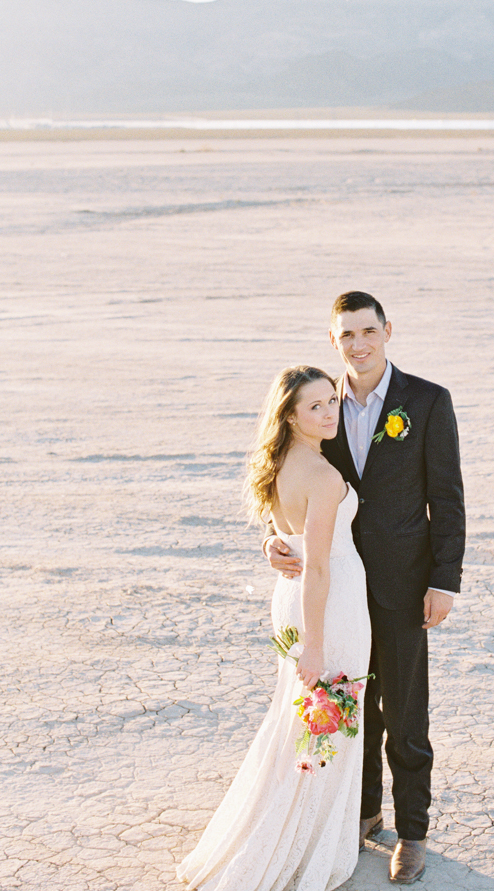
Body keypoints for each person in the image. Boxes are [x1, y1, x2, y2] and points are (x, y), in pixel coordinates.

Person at [265, 292, 465, 885]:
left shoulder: (426, 402)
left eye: (368, 331)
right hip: (340, 586)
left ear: (387, 331)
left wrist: (443, 581)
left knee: (404, 710)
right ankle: (363, 813)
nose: (358, 344)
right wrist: (275, 540)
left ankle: (413, 833)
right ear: (334, 341)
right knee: (355, 707)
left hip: (406, 585)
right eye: (346, 334)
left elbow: (448, 500)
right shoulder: (319, 403)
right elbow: (287, 474)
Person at [177, 366, 371, 891]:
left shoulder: (281, 461)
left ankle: (292, 826)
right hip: (326, 607)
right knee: (327, 722)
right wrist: (315, 644)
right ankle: (304, 845)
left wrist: (271, 543)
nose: (330, 412)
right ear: (290, 415)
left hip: (294, 599)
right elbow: (320, 566)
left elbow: (285, 532)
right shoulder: (325, 476)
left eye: (332, 400)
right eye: (315, 406)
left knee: (303, 721)